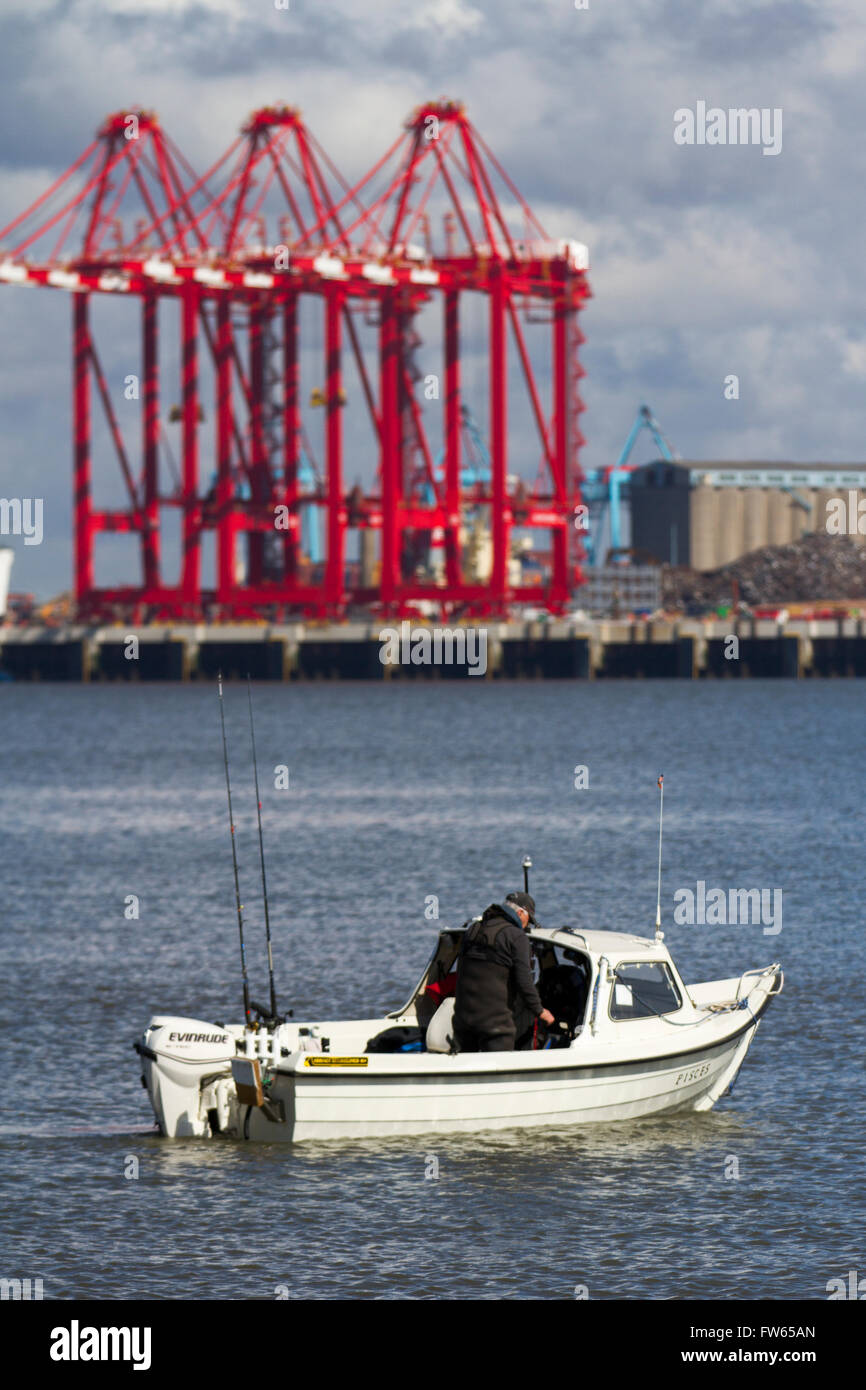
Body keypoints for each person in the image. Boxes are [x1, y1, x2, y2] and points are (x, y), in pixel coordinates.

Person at [452, 892, 554, 1052]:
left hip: (463, 1021)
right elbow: (524, 982)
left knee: (467, 1071)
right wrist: (540, 1011)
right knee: (497, 1071)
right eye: (528, 920)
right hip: (495, 1027)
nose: (527, 926)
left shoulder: (473, 930)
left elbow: (461, 971)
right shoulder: (516, 936)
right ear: (520, 913)